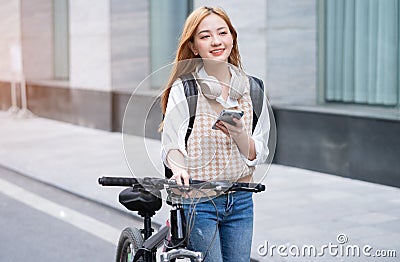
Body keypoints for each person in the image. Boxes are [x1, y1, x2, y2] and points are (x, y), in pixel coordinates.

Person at [160, 6, 270, 262]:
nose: (216, 41)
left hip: (241, 199)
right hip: (199, 201)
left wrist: (240, 135)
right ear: (195, 46)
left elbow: (259, 152)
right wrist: (178, 168)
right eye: (205, 35)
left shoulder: (253, 88)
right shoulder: (185, 88)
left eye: (222, 33)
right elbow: (171, 145)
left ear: (232, 37)